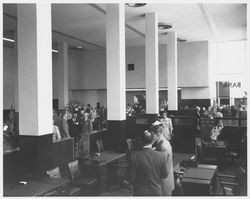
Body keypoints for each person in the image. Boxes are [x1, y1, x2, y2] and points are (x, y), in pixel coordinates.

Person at [127, 130, 168, 196]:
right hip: (156, 192)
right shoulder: (161, 156)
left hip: (139, 193)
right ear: (153, 141)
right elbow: (164, 175)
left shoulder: (134, 157)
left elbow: (130, 178)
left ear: (142, 141)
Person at [150, 123, 175, 196]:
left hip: (163, 181)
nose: (152, 138)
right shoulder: (163, 142)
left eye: (152, 135)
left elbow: (160, 165)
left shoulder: (162, 146)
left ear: (157, 134)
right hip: (166, 178)